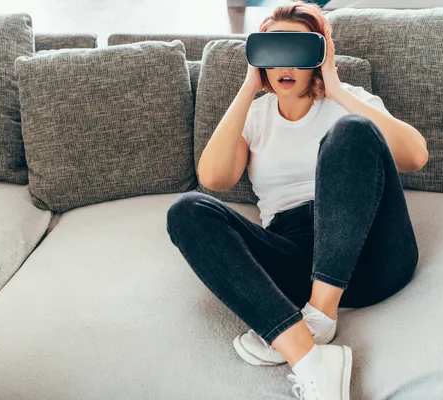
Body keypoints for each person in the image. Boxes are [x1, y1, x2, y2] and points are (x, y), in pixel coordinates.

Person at [166, 2, 428, 398]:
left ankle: (321, 314)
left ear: (318, 57)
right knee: (186, 211)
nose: (285, 64)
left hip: (373, 255)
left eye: (298, 51)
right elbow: (214, 178)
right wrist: (249, 85)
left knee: (352, 131)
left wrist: (336, 88)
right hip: (293, 260)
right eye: (275, 51)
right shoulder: (255, 116)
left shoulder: (349, 101)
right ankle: (308, 358)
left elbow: (415, 156)